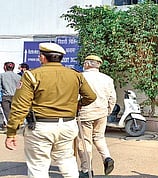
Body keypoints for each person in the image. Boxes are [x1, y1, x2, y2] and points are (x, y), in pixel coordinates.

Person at [4, 43, 97, 178]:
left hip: (40, 127)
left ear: (42, 57)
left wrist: (11, 132)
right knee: (66, 160)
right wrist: (77, 104)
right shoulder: (75, 75)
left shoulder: (32, 75)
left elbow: (20, 106)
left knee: (38, 167)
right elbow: (91, 96)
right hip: (68, 125)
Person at [77, 55, 116, 177]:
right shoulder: (107, 79)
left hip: (85, 113)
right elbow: (112, 98)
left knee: (84, 142)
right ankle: (107, 158)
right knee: (99, 137)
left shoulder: (81, 77)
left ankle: (86, 170)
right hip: (102, 112)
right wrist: (108, 111)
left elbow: (77, 97)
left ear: (87, 64)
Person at [0, 62, 21, 130]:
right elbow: (20, 87)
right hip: (16, 96)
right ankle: (16, 124)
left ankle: (11, 127)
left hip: (5, 96)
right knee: (15, 112)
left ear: (5, 67)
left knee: (7, 112)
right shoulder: (18, 76)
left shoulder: (1, 75)